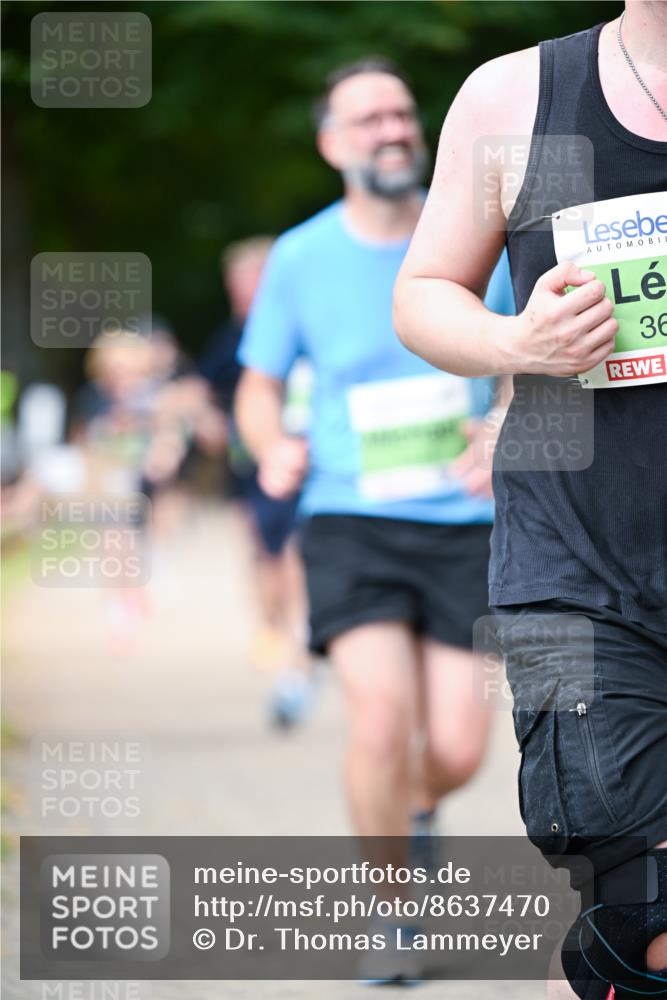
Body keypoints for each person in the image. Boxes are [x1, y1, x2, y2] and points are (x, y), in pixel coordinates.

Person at [393, 5, 666, 998]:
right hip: (572, 575)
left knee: (615, 947)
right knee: (642, 914)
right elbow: (424, 290)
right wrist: (516, 343)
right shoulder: (516, 94)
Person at [235, 57, 515, 981]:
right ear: (330, 144)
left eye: (400, 114)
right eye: (367, 119)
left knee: (460, 748)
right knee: (380, 721)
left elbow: (519, 359)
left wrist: (499, 427)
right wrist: (272, 446)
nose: (392, 130)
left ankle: (412, 809)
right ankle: (390, 912)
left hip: (466, 524)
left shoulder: (476, 236)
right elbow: (258, 386)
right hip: (349, 520)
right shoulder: (299, 256)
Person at [200, 239, 314, 726]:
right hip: (248, 467)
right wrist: (207, 420)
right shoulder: (229, 339)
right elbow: (202, 390)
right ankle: (275, 630)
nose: (243, 291)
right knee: (263, 553)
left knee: (294, 554)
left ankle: (298, 653)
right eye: (237, 283)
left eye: (251, 281)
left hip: (303, 461)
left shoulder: (304, 323)